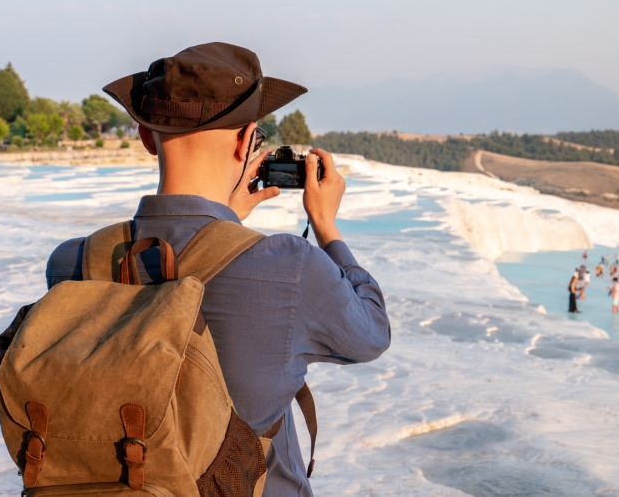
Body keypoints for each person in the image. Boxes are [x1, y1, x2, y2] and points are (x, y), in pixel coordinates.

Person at [45, 42, 390, 496]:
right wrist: (326, 226)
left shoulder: (72, 262)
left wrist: (223, 229)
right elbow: (371, 334)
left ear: (146, 137)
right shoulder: (289, 266)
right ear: (249, 142)